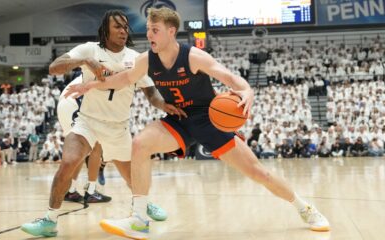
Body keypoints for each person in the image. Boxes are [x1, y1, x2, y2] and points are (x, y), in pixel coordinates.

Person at [66, 7, 330, 239]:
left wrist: (247, 91)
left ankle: (305, 208)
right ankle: (139, 219)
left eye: (154, 30)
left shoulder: (193, 57)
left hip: (210, 121)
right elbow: (123, 79)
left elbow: (229, 77)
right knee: (140, 144)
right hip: (178, 121)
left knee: (258, 173)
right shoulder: (146, 59)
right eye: (148, 30)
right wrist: (88, 86)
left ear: (171, 32)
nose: (149, 35)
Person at [20, 9, 185, 237]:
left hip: (118, 128)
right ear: (105, 30)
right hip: (88, 122)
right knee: (68, 163)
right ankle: (49, 220)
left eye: (125, 26)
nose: (123, 30)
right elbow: (54, 68)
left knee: (133, 179)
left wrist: (164, 105)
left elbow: (151, 94)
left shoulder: (135, 59)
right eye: (117, 26)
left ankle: (144, 206)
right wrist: (85, 61)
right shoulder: (90, 49)